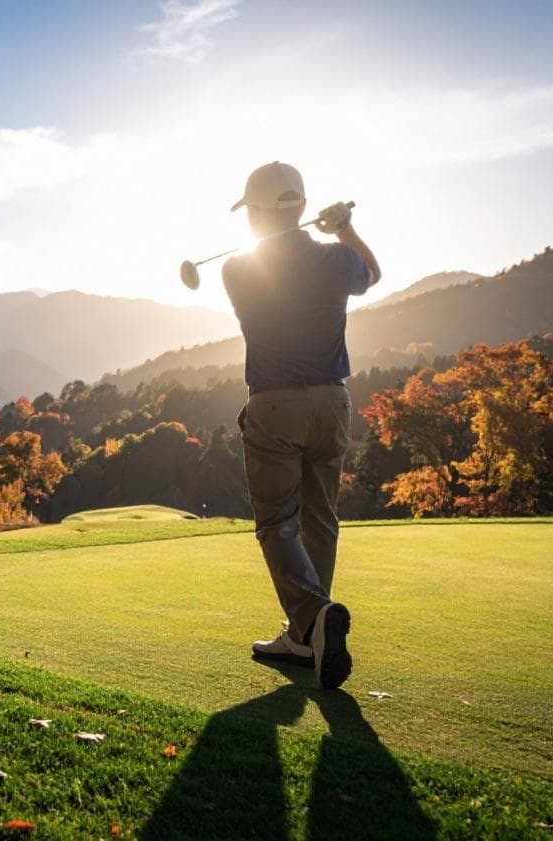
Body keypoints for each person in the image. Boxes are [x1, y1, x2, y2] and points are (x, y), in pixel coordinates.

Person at [221, 161, 381, 690]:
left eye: (251, 212)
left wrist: (313, 231)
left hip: (274, 406)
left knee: (276, 521)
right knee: (321, 518)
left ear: (263, 213)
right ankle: (304, 634)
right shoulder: (336, 259)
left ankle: (311, 617)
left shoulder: (237, 271)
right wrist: (343, 229)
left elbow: (271, 258)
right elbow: (372, 272)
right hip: (332, 403)